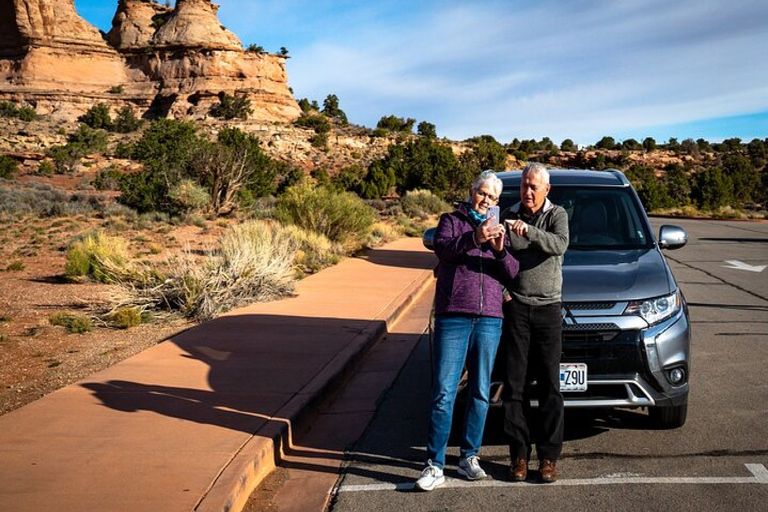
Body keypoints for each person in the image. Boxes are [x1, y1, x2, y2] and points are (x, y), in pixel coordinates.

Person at [415, 171, 519, 492]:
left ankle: (469, 456)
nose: (486, 200)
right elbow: (443, 250)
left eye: (492, 197)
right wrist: (475, 237)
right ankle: (434, 463)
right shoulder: (451, 220)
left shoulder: (500, 230)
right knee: (445, 391)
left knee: (480, 392)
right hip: (454, 316)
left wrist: (500, 249)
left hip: (489, 318)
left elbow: (513, 272)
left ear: (497, 202)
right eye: (482, 193)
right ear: (471, 191)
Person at [501, 163, 569, 483]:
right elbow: (496, 256)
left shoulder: (557, 216)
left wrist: (528, 231)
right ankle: (518, 456)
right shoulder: (508, 212)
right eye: (524, 185)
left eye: (533, 187)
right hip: (517, 309)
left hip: (548, 310)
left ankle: (548, 458)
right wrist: (503, 290)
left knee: (549, 387)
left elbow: (558, 244)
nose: (527, 192)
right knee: (515, 386)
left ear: (546, 190)